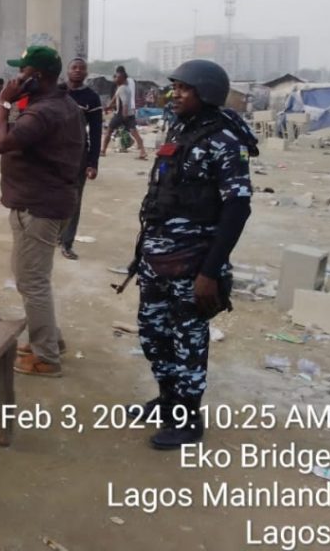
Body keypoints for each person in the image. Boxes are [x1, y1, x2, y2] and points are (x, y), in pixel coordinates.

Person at [131, 59, 255, 449]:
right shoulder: (180, 129)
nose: (175, 94)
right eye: (175, 87)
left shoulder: (225, 142)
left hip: (193, 265)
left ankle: (187, 419)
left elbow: (238, 208)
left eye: (184, 88)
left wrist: (210, 271)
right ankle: (168, 401)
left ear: (207, 93)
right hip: (157, 260)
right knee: (153, 335)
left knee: (188, 341)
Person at [0, 45, 84, 377]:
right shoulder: (60, 104)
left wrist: (3, 102)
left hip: (38, 208)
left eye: (22, 72)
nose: (17, 78)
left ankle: (46, 358)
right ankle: (49, 339)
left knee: (32, 282)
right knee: (28, 276)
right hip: (43, 203)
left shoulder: (45, 112)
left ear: (36, 76)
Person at [60, 58, 102, 260]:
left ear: (86, 73)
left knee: (74, 200)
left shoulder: (91, 98)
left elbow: (95, 132)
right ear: (67, 71)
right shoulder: (57, 91)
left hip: (78, 156)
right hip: (54, 154)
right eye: (74, 67)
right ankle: (54, 235)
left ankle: (67, 243)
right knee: (52, 195)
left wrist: (93, 163)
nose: (77, 71)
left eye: (81, 68)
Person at [102, 68, 148, 159]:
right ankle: (142, 152)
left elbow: (125, 103)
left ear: (122, 79)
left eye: (117, 77)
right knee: (135, 133)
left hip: (121, 114)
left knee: (109, 131)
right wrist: (108, 107)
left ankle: (103, 150)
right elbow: (114, 100)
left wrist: (124, 115)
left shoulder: (123, 89)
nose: (115, 79)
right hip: (128, 114)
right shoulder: (121, 88)